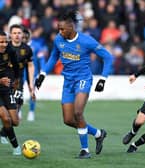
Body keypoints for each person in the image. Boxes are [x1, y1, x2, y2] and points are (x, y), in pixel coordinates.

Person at [35, 10, 113, 159]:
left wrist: (103, 79)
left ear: (72, 27)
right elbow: (53, 57)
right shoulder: (58, 39)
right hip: (68, 81)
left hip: (83, 79)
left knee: (78, 113)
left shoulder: (86, 41)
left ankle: (85, 150)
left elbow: (107, 57)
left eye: (62, 28)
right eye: (58, 28)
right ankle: (98, 133)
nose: (60, 31)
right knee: (68, 120)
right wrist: (43, 74)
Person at [0, 24, 35, 143]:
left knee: (15, 113)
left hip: (17, 82)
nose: (17, 35)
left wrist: (31, 84)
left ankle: (4, 132)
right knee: (7, 113)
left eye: (19, 33)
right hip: (5, 82)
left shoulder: (27, 49)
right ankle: (5, 133)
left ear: (22, 35)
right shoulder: (5, 47)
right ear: (10, 35)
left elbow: (30, 65)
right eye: (14, 33)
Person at [0, 30, 21, 155]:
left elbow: (16, 66)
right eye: (1, 42)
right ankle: (16, 147)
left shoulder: (10, 51)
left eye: (5, 42)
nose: (3, 44)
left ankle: (3, 133)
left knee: (15, 121)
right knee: (6, 119)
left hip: (6, 88)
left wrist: (16, 80)